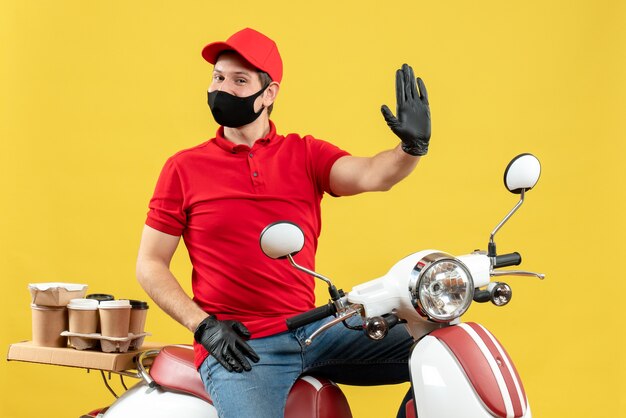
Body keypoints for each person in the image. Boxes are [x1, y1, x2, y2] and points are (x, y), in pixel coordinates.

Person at [136, 27, 431, 418]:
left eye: (239, 81)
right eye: (218, 78)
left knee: (441, 348)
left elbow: (374, 175)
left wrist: (410, 149)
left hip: (315, 331)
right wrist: (204, 326)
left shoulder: (305, 154)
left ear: (269, 94)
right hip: (242, 344)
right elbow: (150, 264)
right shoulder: (183, 168)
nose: (223, 89)